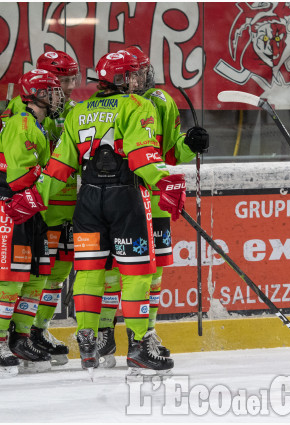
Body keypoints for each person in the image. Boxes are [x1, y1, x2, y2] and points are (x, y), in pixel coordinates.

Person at [37, 50, 185, 376]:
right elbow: (142, 159)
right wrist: (168, 183)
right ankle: (137, 346)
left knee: (89, 271)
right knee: (138, 273)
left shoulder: (79, 111)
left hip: (87, 200)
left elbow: (59, 166)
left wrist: (35, 200)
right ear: (123, 78)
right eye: (134, 74)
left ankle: (87, 344)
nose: (139, 79)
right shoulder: (137, 105)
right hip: (124, 197)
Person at [96, 46, 209, 367]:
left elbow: (170, 152)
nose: (146, 77)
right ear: (124, 77)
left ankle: (143, 333)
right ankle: (105, 331)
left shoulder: (161, 102)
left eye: (145, 71)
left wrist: (190, 143)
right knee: (110, 271)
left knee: (152, 272)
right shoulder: (107, 105)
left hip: (152, 199)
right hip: (113, 196)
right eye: (138, 72)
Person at [0, 51, 81, 366]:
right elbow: (14, 169)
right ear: (39, 89)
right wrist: (53, 170)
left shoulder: (62, 114)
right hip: (20, 206)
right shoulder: (20, 118)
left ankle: (27, 335)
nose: (66, 88)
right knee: (11, 276)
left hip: (43, 207)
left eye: (68, 80)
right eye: (59, 82)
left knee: (39, 275)